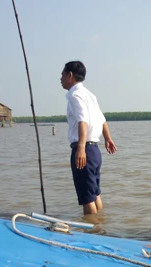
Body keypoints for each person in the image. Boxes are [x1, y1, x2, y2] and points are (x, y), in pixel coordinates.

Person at [60, 60, 116, 215]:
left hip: (85, 149)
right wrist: (108, 138)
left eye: (62, 74)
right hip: (95, 151)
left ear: (70, 75)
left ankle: (93, 232)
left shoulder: (75, 96)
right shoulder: (90, 95)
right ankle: (100, 226)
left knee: (87, 198)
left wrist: (81, 148)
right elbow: (102, 119)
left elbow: (82, 121)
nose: (60, 78)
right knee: (94, 193)